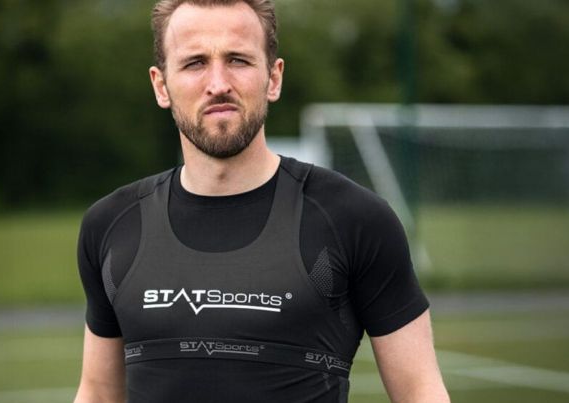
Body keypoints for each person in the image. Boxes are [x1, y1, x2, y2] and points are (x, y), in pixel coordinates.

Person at [74, 1, 450, 402]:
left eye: (238, 60)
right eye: (195, 63)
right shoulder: (112, 225)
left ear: (274, 77)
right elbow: (97, 394)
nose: (218, 83)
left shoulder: (354, 220)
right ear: (161, 85)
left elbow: (420, 391)